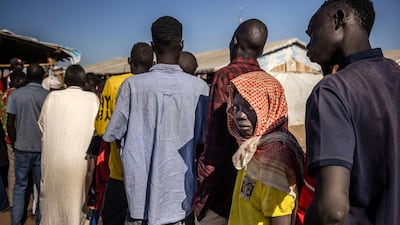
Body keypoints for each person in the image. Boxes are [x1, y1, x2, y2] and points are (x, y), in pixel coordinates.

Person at [103, 16, 209, 225]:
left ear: (152, 47)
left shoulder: (132, 86)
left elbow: (113, 135)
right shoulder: (200, 90)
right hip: (180, 201)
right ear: (182, 44)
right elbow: (202, 144)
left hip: (139, 204)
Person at [303, 1, 400, 225]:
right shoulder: (395, 74)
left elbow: (331, 211)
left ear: (338, 18)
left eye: (312, 32)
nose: (308, 46)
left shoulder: (332, 91)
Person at [193, 18, 267, 224]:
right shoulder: (268, 81)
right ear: (261, 50)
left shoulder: (225, 77)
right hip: (257, 190)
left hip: (222, 194)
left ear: (234, 41)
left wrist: (202, 195)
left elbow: (214, 146)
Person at [225, 71, 304, 225]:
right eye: (236, 108)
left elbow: (280, 217)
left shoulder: (275, 155)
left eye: (249, 106)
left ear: (269, 106)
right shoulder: (253, 146)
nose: (240, 115)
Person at [95, 42, 153, 225]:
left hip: (120, 173)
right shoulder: (157, 84)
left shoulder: (113, 83)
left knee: (113, 219)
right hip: (151, 175)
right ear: (152, 63)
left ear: (129, 61)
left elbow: (102, 129)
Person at [38, 64, 99, 225]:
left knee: (53, 208)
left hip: (54, 161)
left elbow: (41, 124)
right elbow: (98, 130)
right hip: (81, 164)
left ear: (65, 80)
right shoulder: (92, 99)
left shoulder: (52, 97)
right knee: (76, 208)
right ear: (83, 80)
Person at [7, 63, 48, 225]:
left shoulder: (16, 95)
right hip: (41, 149)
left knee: (20, 187)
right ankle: (40, 220)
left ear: (27, 75)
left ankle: (16, 221)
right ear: (42, 76)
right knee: (41, 188)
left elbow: (10, 124)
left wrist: (16, 142)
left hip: (22, 148)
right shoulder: (47, 96)